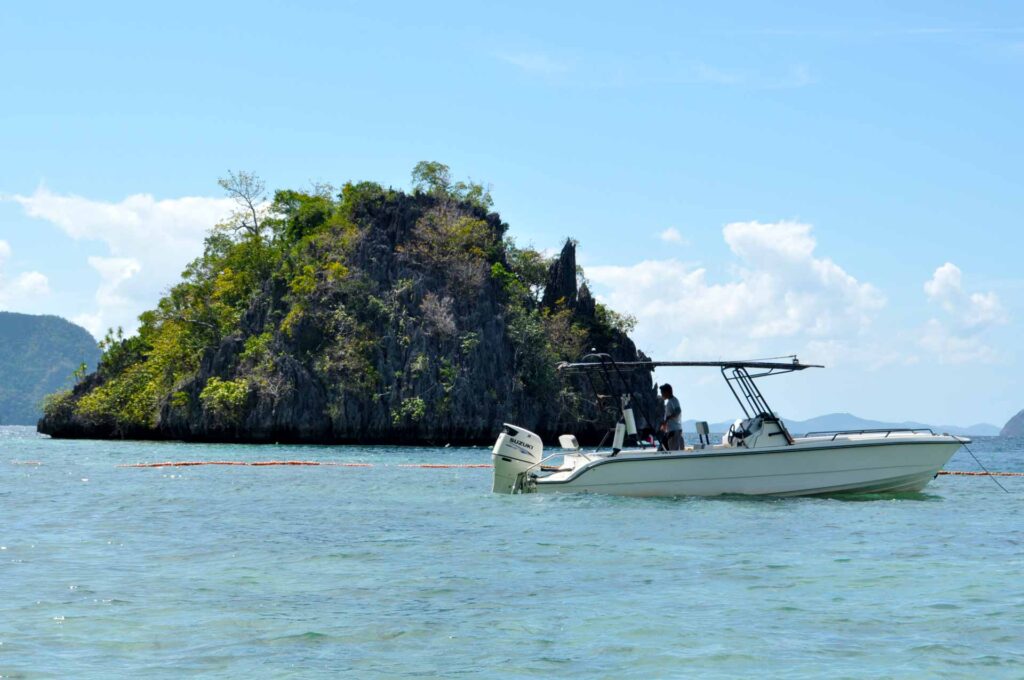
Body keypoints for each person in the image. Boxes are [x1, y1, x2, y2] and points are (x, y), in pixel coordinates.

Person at [659, 384, 684, 451]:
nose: (661, 394)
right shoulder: (670, 402)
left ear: (667, 392)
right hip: (671, 431)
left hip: (675, 431)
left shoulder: (674, 401)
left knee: (674, 452)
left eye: (662, 393)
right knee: (665, 449)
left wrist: (667, 419)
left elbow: (678, 411)